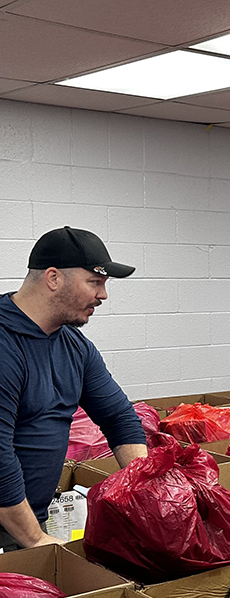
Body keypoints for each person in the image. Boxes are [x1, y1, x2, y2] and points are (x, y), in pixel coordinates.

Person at [0, 227, 148, 550]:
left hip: (27, 524)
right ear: (53, 278)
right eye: (95, 282)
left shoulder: (75, 347)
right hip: (13, 528)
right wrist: (36, 539)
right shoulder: (4, 344)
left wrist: (146, 491)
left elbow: (120, 418)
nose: (104, 295)